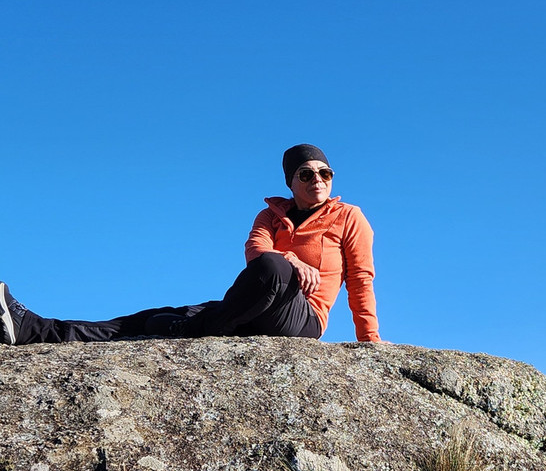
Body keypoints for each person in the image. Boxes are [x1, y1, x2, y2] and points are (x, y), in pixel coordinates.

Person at [0, 144, 379, 345]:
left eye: (325, 172)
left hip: (302, 318)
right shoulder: (269, 215)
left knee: (273, 268)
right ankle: (32, 328)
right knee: (147, 320)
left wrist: (369, 341)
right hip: (251, 308)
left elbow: (361, 279)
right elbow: (255, 251)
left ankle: (193, 331)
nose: (318, 179)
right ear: (290, 182)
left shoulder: (349, 217)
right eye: (306, 174)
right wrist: (293, 260)